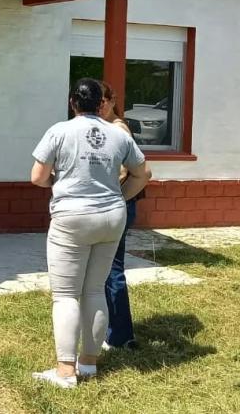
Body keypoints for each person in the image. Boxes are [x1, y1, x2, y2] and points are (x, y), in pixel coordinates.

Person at [29, 77, 151, 388]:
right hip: (111, 216)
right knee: (95, 290)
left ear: (72, 103)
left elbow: (37, 177)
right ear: (101, 104)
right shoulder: (117, 133)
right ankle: (89, 364)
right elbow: (143, 173)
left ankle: (66, 372)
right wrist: (120, 196)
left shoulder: (59, 130)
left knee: (67, 294)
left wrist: (58, 181)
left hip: (72, 217)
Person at [100, 80, 141, 350]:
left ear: (113, 101)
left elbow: (127, 172)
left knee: (112, 270)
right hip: (115, 203)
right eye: (97, 102)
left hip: (119, 203)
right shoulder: (103, 128)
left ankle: (122, 335)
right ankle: (111, 328)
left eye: (105, 101)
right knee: (106, 270)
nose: (101, 107)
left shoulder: (118, 129)